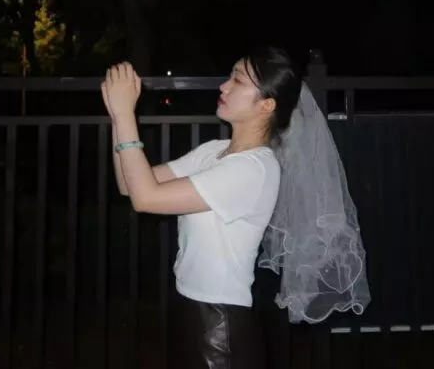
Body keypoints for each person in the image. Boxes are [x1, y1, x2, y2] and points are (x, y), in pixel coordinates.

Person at [102, 46, 369, 368]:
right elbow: (129, 185)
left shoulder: (254, 169)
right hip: (189, 310)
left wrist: (125, 116)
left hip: (220, 328)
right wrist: (117, 117)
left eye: (238, 81)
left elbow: (146, 199)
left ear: (266, 105)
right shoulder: (213, 152)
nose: (224, 86)